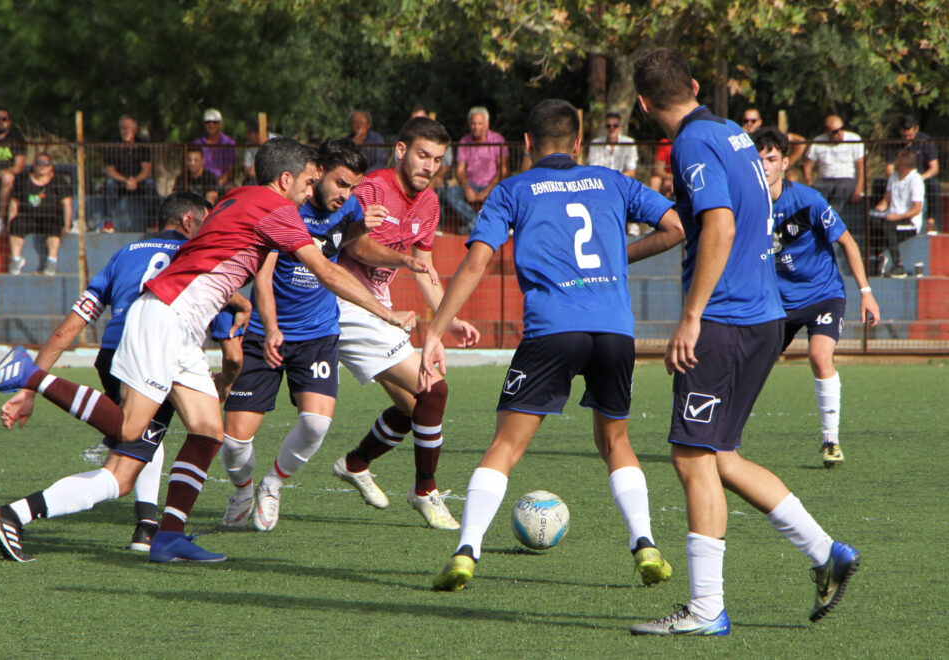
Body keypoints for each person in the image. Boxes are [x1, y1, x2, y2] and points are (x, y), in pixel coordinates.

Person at [0, 138, 417, 563]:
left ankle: (168, 537)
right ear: (285, 179)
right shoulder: (277, 207)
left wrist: (241, 303)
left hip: (183, 325)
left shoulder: (235, 198)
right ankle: (28, 373)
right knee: (129, 428)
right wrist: (386, 312)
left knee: (207, 431)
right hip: (166, 314)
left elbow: (221, 257)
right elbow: (323, 269)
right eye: (306, 182)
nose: (307, 192)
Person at [628, 48, 860, 636]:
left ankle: (706, 609)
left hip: (726, 323)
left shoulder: (690, 144)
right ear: (698, 85)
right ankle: (825, 551)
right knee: (720, 456)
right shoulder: (733, 132)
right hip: (762, 316)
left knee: (689, 456)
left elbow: (722, 226)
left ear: (643, 103)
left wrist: (691, 317)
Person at [426, 98, 684, 592]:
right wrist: (617, 258)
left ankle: (465, 552)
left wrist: (436, 330)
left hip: (552, 329)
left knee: (506, 445)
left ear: (526, 143)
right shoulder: (611, 181)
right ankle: (646, 544)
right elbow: (674, 228)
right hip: (614, 329)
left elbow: (477, 263)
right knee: (616, 442)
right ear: (579, 142)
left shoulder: (512, 190)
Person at [0, 192, 234, 562]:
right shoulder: (196, 260)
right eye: (206, 221)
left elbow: (70, 329)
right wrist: (226, 376)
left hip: (114, 354)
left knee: (144, 442)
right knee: (123, 464)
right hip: (157, 349)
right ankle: (17, 514)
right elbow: (231, 344)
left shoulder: (124, 254)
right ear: (190, 221)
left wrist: (27, 390)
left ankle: (146, 527)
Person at [219, 138, 438, 531]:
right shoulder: (286, 210)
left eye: (353, 186)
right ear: (317, 173)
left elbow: (352, 246)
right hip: (267, 333)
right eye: (340, 183)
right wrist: (270, 328)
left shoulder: (350, 207)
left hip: (318, 332)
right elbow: (264, 277)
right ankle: (242, 490)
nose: (347, 194)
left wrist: (392, 257)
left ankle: (271, 485)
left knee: (316, 424)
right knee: (235, 442)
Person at [330, 116, 481, 529]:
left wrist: (448, 320)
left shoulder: (430, 203)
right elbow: (353, 244)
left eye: (437, 159)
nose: (429, 166)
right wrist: (401, 258)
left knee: (418, 407)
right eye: (422, 155)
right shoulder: (373, 187)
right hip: (343, 302)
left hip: (378, 305)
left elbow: (424, 267)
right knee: (434, 388)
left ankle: (355, 463)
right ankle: (425, 490)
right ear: (401, 150)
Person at [752, 127, 880, 466]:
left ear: (785, 162)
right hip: (777, 302)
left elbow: (848, 242)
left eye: (771, 158)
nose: (764, 165)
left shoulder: (807, 200)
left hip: (823, 295)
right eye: (758, 158)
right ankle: (723, 438)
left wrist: (865, 293)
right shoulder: (747, 205)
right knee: (750, 363)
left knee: (819, 355)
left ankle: (830, 441)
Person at [7, 152, 73, 276]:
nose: (42, 166)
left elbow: (67, 204)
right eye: (39, 163)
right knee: (16, 224)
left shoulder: (59, 181)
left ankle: (51, 262)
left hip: (50, 217)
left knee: (54, 226)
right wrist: (9, 223)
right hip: (28, 217)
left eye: (46, 163)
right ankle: (16, 260)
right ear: (34, 165)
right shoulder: (23, 180)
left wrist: (67, 224)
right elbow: (13, 204)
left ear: (51, 166)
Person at [444, 107, 508, 232]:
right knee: (450, 193)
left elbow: (503, 170)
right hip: (471, 184)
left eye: (480, 123)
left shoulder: (498, 140)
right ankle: (476, 224)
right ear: (469, 125)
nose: (476, 127)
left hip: (492, 184)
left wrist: (487, 190)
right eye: (473, 123)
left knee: (503, 194)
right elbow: (460, 170)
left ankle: (479, 227)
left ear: (487, 124)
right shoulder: (464, 141)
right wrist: (467, 188)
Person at [803, 115, 865, 234]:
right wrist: (809, 183)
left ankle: (831, 224)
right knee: (815, 195)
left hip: (846, 179)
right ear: (827, 132)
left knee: (840, 191)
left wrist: (859, 189)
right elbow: (807, 165)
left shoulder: (854, 139)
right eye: (835, 131)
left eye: (842, 128)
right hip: (825, 180)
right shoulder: (818, 142)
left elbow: (861, 167)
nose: (840, 133)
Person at [871, 148, 925, 278]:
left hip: (909, 222)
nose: (894, 163)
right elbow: (886, 199)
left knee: (889, 226)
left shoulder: (916, 180)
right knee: (873, 221)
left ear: (903, 164)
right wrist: (877, 210)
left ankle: (898, 265)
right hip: (891, 217)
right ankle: (879, 257)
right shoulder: (893, 177)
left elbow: (916, 209)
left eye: (897, 161)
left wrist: (897, 217)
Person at [884, 115, 939, 236]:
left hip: (920, 177)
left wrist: (918, 179)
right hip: (900, 177)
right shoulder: (893, 142)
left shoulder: (926, 141)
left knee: (934, 184)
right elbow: (889, 169)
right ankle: (881, 213)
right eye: (904, 136)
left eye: (910, 135)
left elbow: (934, 168)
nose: (907, 138)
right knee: (880, 183)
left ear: (916, 129)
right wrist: (898, 179)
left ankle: (931, 221)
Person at [103, 115, 156, 232]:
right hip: (121, 183)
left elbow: (147, 169)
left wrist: (135, 180)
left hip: (138, 183)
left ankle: (152, 223)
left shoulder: (142, 145)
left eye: (128, 128)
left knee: (150, 183)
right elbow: (110, 170)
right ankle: (108, 223)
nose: (125, 131)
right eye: (123, 128)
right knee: (109, 184)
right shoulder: (113, 145)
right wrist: (126, 181)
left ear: (135, 130)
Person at [741, 107, 806, 180]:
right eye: (745, 121)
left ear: (759, 121)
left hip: (773, 175)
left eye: (753, 121)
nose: (749, 124)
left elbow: (801, 141)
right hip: (748, 174)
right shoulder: (738, 138)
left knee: (792, 176)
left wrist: (789, 162)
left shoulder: (768, 136)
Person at [194, 108, 237, 190]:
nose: (211, 124)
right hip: (201, 182)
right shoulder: (197, 144)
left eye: (215, 122)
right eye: (208, 122)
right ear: (204, 124)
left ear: (220, 124)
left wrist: (218, 184)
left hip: (222, 182)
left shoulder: (228, 143)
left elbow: (230, 170)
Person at [588, 112, 638, 177]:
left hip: (621, 181)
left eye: (615, 126)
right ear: (605, 127)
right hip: (602, 181)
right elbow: (593, 169)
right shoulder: (595, 143)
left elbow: (631, 172)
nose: (612, 128)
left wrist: (614, 179)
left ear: (620, 127)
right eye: (608, 126)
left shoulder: (630, 143)